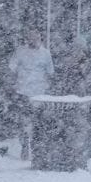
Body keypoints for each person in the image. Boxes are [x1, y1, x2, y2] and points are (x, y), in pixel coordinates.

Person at [8, 31, 54, 159]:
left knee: (38, 122)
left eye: (35, 37)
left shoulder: (46, 54)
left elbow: (50, 72)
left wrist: (49, 87)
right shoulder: (20, 52)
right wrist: (12, 83)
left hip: (39, 94)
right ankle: (24, 146)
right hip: (23, 92)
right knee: (23, 122)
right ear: (27, 39)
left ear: (40, 38)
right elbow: (11, 67)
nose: (32, 40)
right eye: (30, 37)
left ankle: (37, 148)